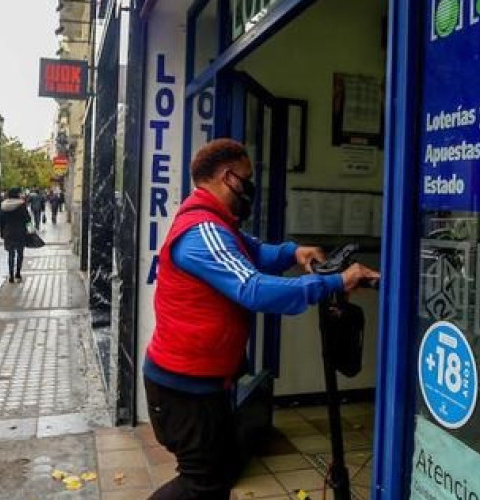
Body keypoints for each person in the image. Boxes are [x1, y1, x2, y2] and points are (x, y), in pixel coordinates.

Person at [144, 139, 379, 500]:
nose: (250, 186)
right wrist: (333, 281)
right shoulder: (201, 231)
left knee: (216, 476)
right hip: (183, 388)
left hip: (205, 380)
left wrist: (293, 252)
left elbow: (255, 252)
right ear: (228, 177)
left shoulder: (220, 224)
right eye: (247, 178)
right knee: (201, 482)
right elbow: (252, 288)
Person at [0, 187, 32, 283]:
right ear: (17, 194)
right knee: (20, 254)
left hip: (8, 232)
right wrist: (31, 231)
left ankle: (11, 275)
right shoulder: (21, 205)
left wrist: (1, 233)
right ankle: (18, 273)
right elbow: (28, 219)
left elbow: (1, 221)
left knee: (11, 254)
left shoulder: (4, 206)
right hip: (20, 232)